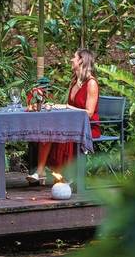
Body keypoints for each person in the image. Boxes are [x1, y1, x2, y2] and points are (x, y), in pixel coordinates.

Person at [27, 48, 101, 183]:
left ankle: (63, 175)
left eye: (74, 57)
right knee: (47, 131)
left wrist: (67, 107)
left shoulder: (91, 83)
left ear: (81, 61)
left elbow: (89, 113)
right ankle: (41, 171)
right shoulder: (75, 82)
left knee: (61, 134)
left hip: (87, 127)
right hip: (73, 124)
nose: (71, 60)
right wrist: (53, 106)